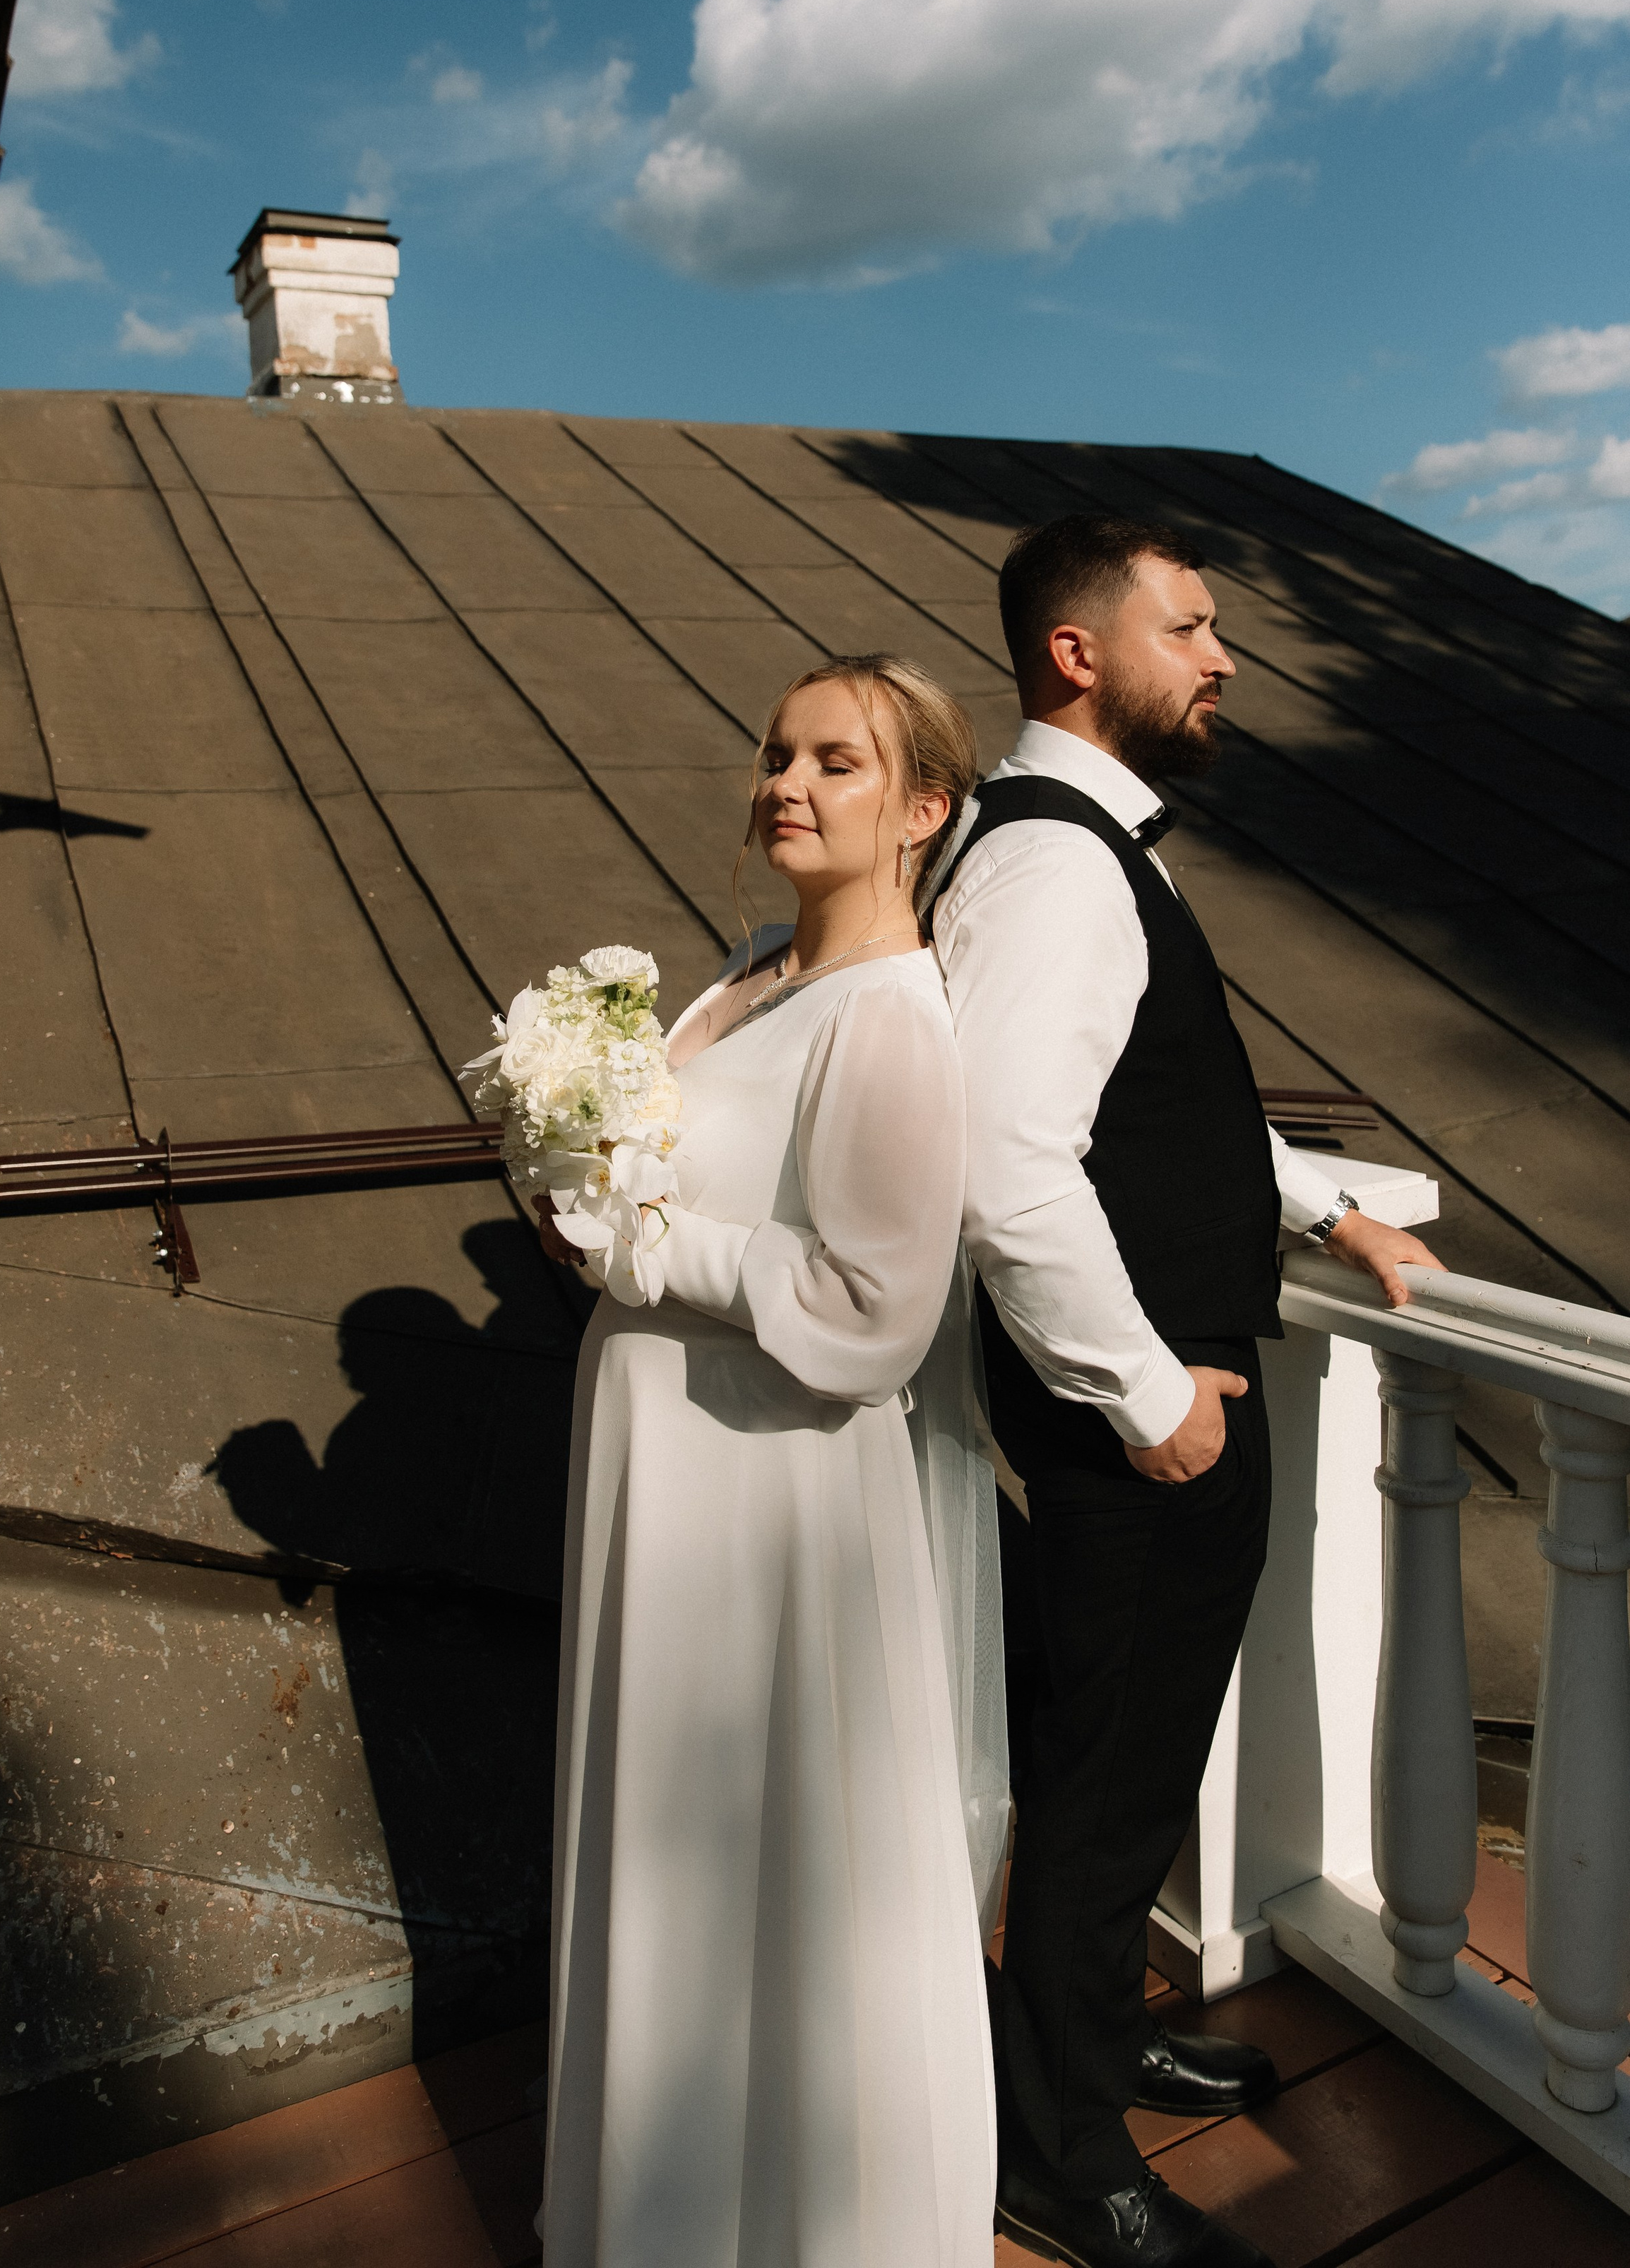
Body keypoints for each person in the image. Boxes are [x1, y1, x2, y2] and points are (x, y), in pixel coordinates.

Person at [930, 516, 1445, 2268]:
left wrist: (1330, 1205)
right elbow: (1004, 1166)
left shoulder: (1075, 850)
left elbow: (1168, 1113)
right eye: (1190, 627)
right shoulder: (1054, 867)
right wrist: (1152, 1399)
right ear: (1077, 653)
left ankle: (1086, 2044)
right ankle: (1059, 2155)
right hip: (1138, 1421)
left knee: (1123, 1766)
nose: (1221, 658)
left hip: (1152, 1399)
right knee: (1099, 1781)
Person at [535, 653, 1008, 2268]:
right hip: (653, 1470)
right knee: (663, 1849)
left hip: (772, 1495)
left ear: (922, 810)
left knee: (773, 1858)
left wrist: (656, 1252)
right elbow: (647, 1185)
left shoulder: (891, 1020)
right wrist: (577, 1191)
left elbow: (873, 1314)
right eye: (777, 752)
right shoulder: (736, 972)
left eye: (838, 764)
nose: (786, 784)